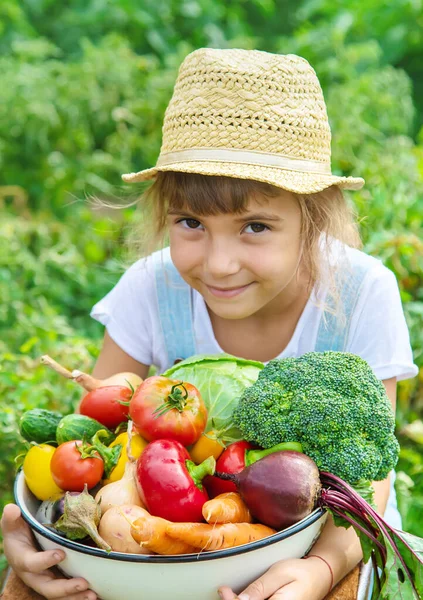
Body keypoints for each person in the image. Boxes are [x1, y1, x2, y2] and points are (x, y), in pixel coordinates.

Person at [1, 48, 417, 600]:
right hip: (167, 559)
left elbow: (372, 477)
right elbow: (100, 435)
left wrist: (317, 570)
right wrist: (45, 540)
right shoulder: (153, 286)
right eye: (191, 222)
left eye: (255, 226)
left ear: (311, 218)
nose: (219, 264)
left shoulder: (362, 293)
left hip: (330, 538)